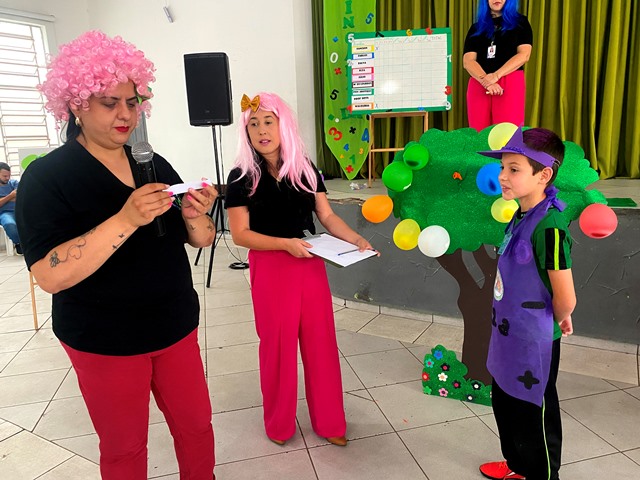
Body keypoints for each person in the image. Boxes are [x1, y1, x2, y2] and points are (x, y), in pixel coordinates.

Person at [15, 31, 217, 480]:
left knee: (196, 428)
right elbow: (49, 275)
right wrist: (126, 218)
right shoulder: (47, 178)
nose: (126, 114)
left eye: (132, 102)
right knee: (125, 448)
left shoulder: (151, 162)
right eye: (110, 103)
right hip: (104, 338)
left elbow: (201, 239)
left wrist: (197, 215)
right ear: (76, 104)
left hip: (174, 324)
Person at [225, 92, 376, 447]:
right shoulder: (240, 177)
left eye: (268, 122)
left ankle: (330, 422)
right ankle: (279, 425)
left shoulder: (304, 168)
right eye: (253, 124)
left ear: (284, 125)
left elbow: (326, 215)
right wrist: (284, 244)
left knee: (321, 344)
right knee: (277, 348)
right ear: (246, 132)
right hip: (271, 266)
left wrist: (356, 239)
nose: (262, 130)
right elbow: (240, 235)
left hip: (308, 263)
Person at [477, 127, 576, 480]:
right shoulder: (520, 213)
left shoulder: (550, 226)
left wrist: (560, 317)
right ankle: (517, 466)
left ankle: (541, 475)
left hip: (534, 341)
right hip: (508, 333)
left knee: (533, 412)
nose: (502, 176)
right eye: (502, 167)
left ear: (543, 175)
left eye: (514, 169)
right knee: (505, 402)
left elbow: (566, 295)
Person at [463, 0, 533, 131]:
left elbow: (524, 55)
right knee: (478, 133)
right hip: (479, 81)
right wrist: (486, 81)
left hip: (510, 81)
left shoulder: (520, 23)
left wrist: (496, 75)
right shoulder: (476, 28)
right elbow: (468, 61)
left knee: (507, 133)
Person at [0, 162, 22, 254]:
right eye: (5, 176)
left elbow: (20, 197)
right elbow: (14, 196)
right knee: (10, 224)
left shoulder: (14, 183)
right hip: (4, 213)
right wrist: (10, 196)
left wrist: (3, 199)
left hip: (20, 210)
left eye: (9, 176)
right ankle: (19, 244)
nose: (7, 178)